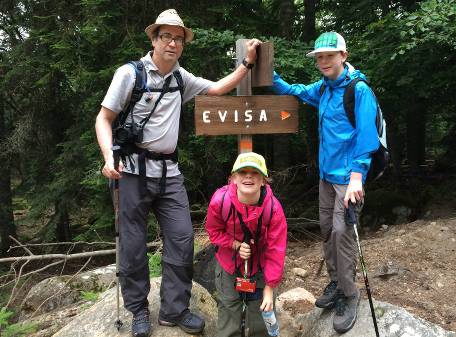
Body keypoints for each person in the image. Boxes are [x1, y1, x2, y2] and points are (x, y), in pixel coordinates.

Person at [95, 9, 261, 337]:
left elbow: (216, 89)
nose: (173, 43)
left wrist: (247, 64)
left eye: (178, 38)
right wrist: (107, 157)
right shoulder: (130, 74)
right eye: (166, 36)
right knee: (132, 244)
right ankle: (139, 310)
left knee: (183, 239)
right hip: (131, 171)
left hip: (169, 172)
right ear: (154, 39)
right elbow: (103, 118)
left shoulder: (180, 78)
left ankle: (174, 309)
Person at [271, 32, 380, 333]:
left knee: (343, 234)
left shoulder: (358, 90)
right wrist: (269, 72)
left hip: (349, 180)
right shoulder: (325, 88)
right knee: (328, 230)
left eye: (329, 56)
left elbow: (367, 136)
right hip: (326, 177)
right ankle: (336, 282)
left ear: (343, 56)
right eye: (319, 57)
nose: (323, 62)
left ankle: (350, 293)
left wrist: (358, 176)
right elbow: (295, 90)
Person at [205, 152, 287, 337]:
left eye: (255, 172)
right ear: (233, 178)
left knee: (261, 317)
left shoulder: (273, 208)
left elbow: (277, 250)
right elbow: (213, 232)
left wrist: (269, 288)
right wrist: (234, 244)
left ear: (263, 180)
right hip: (228, 265)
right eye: (242, 172)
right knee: (228, 312)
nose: (248, 176)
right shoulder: (220, 202)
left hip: (261, 267)